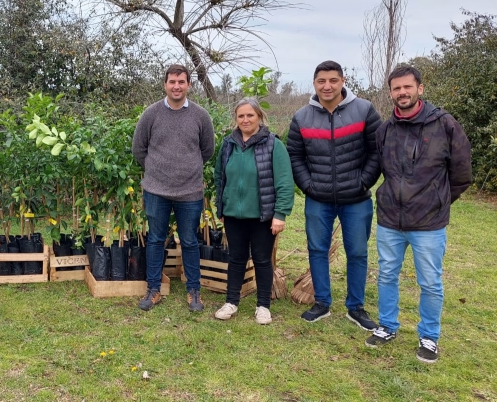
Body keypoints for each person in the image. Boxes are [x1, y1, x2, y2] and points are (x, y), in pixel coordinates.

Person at [364, 66, 472, 363]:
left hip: (429, 224)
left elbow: (462, 173)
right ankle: (387, 326)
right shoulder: (385, 130)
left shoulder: (445, 125)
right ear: (391, 93)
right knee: (386, 275)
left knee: (430, 282)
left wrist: (439, 201)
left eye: (407, 87)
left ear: (420, 88)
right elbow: (382, 170)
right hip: (390, 221)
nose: (402, 93)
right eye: (396, 88)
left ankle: (429, 336)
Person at [287, 60, 381, 330]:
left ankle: (356, 307)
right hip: (318, 198)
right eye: (321, 81)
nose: (327, 86)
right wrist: (308, 185)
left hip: (356, 198)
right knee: (317, 249)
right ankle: (322, 303)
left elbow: (377, 151)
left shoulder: (364, 110)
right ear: (314, 84)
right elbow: (295, 155)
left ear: (342, 81)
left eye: (333, 80)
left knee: (358, 252)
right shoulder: (302, 117)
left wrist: (363, 182)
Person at [132, 64, 215, 312]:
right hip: (156, 190)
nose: (176, 86)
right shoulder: (151, 114)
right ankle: (153, 289)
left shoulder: (201, 116)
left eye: (181, 82)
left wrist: (187, 168)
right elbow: (139, 149)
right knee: (156, 239)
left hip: (189, 191)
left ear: (189, 84)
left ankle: (194, 292)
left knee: (189, 241)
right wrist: (156, 169)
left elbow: (207, 150)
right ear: (165, 84)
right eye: (172, 82)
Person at [213, 97, 294, 325]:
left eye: (250, 115)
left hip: (262, 216)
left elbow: (284, 182)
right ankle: (231, 302)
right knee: (236, 259)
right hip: (233, 216)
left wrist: (280, 214)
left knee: (261, 260)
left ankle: (263, 306)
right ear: (236, 119)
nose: (245, 119)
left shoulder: (272, 145)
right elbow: (220, 177)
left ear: (259, 116)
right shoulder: (228, 144)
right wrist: (221, 205)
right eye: (241, 116)